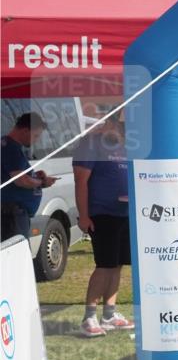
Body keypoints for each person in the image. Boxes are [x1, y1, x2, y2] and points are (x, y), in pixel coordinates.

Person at [72, 115, 134, 337]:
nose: (123, 130)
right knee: (105, 265)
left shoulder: (125, 145)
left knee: (117, 265)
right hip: (102, 214)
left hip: (124, 213)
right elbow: (81, 180)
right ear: (108, 122)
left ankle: (109, 314)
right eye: (120, 125)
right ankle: (89, 317)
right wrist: (84, 215)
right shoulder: (90, 144)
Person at [1, 113, 56, 242]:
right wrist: (42, 182)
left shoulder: (6, 144)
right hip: (12, 215)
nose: (36, 140)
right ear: (25, 131)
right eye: (35, 136)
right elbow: (20, 180)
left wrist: (34, 176)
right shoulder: (11, 148)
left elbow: (13, 175)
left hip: (12, 213)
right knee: (16, 250)